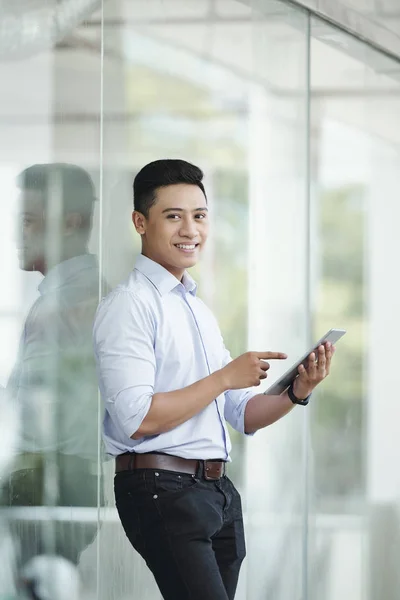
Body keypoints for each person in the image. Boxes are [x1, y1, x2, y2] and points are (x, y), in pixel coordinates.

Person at [93, 159, 335, 600]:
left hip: (216, 493)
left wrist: (299, 390)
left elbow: (243, 415)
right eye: (174, 216)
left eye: (199, 216)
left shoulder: (197, 310)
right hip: (161, 491)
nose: (191, 230)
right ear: (140, 222)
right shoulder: (129, 305)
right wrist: (224, 377)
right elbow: (136, 418)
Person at [3, 163, 105, 569]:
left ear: (69, 224)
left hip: (52, 482)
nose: (16, 235)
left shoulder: (74, 301)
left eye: (28, 221)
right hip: (52, 478)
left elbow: (41, 409)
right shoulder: (64, 295)